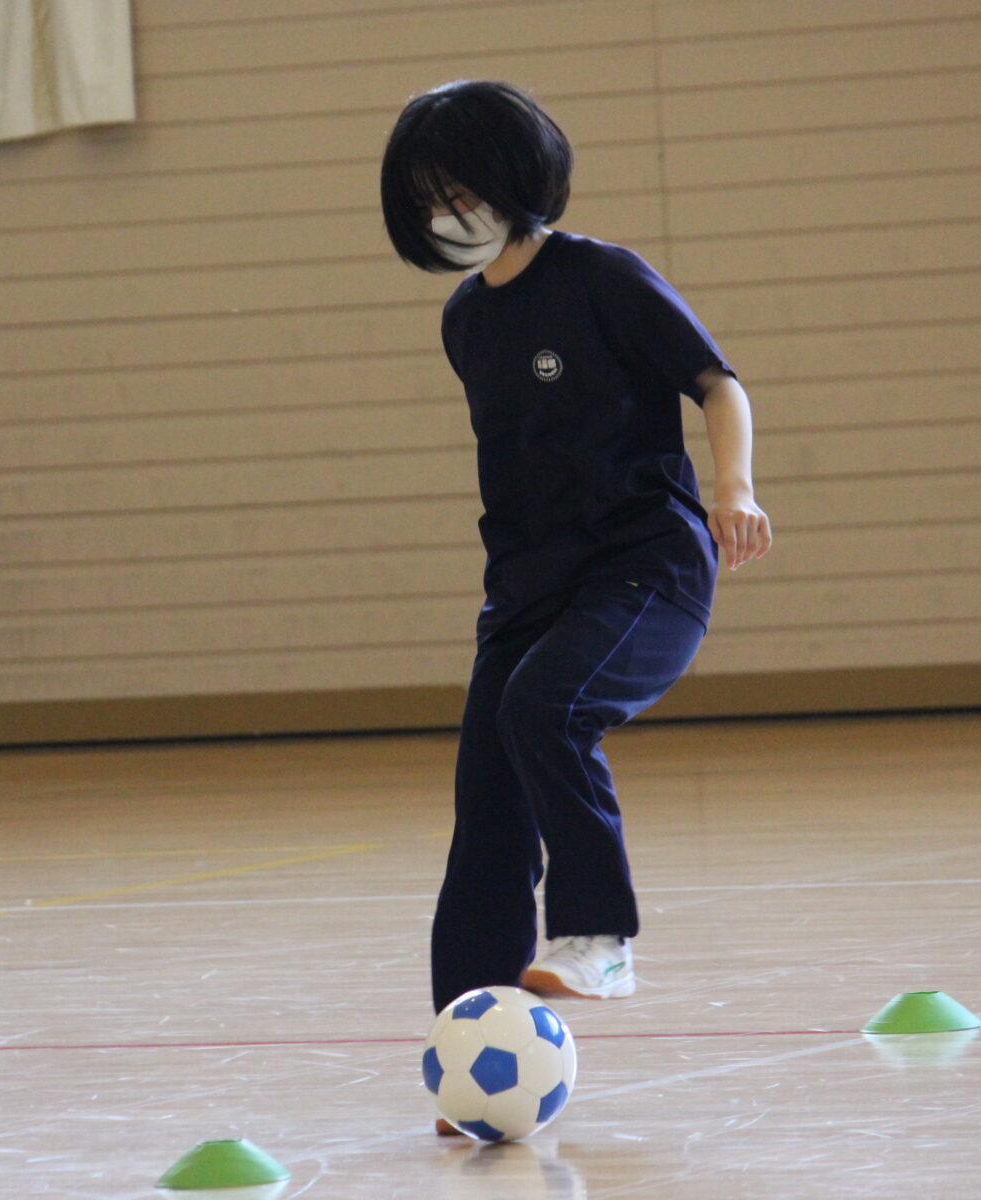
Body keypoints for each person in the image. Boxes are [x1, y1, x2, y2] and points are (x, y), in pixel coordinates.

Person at [379, 80, 773, 1024]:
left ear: (514, 175)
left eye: (463, 188)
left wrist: (734, 489)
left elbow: (717, 386)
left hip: (644, 569)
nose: (451, 213)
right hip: (524, 592)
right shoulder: (465, 320)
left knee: (547, 708)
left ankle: (599, 936)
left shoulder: (604, 278)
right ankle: (468, 1045)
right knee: (488, 814)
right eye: (430, 198)